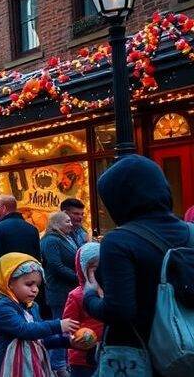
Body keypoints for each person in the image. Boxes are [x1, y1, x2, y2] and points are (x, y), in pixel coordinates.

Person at [83, 155, 194, 366]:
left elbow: (119, 311)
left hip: (139, 357)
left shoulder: (119, 241)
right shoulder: (191, 233)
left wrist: (89, 297)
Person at [0, 253, 79, 377]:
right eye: (29, 284)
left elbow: (40, 340)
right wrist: (57, 325)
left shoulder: (32, 306)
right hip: (5, 368)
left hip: (30, 366)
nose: (35, 289)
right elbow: (24, 330)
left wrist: (67, 341)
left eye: (37, 285)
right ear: (8, 282)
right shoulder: (1, 306)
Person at [40, 211, 81, 375]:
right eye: (67, 221)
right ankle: (58, 365)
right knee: (60, 326)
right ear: (56, 224)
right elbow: (56, 266)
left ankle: (62, 363)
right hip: (59, 290)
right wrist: (79, 277)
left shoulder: (66, 238)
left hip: (68, 289)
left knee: (66, 326)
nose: (71, 224)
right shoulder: (50, 240)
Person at [62, 243, 102, 377]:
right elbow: (68, 326)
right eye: (94, 269)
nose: (99, 273)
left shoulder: (111, 294)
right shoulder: (76, 296)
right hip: (82, 358)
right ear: (83, 270)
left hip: (105, 354)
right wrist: (77, 338)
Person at [0, 195, 41, 289]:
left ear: (4, 208)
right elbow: (37, 256)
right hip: (29, 278)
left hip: (7, 279)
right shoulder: (32, 229)